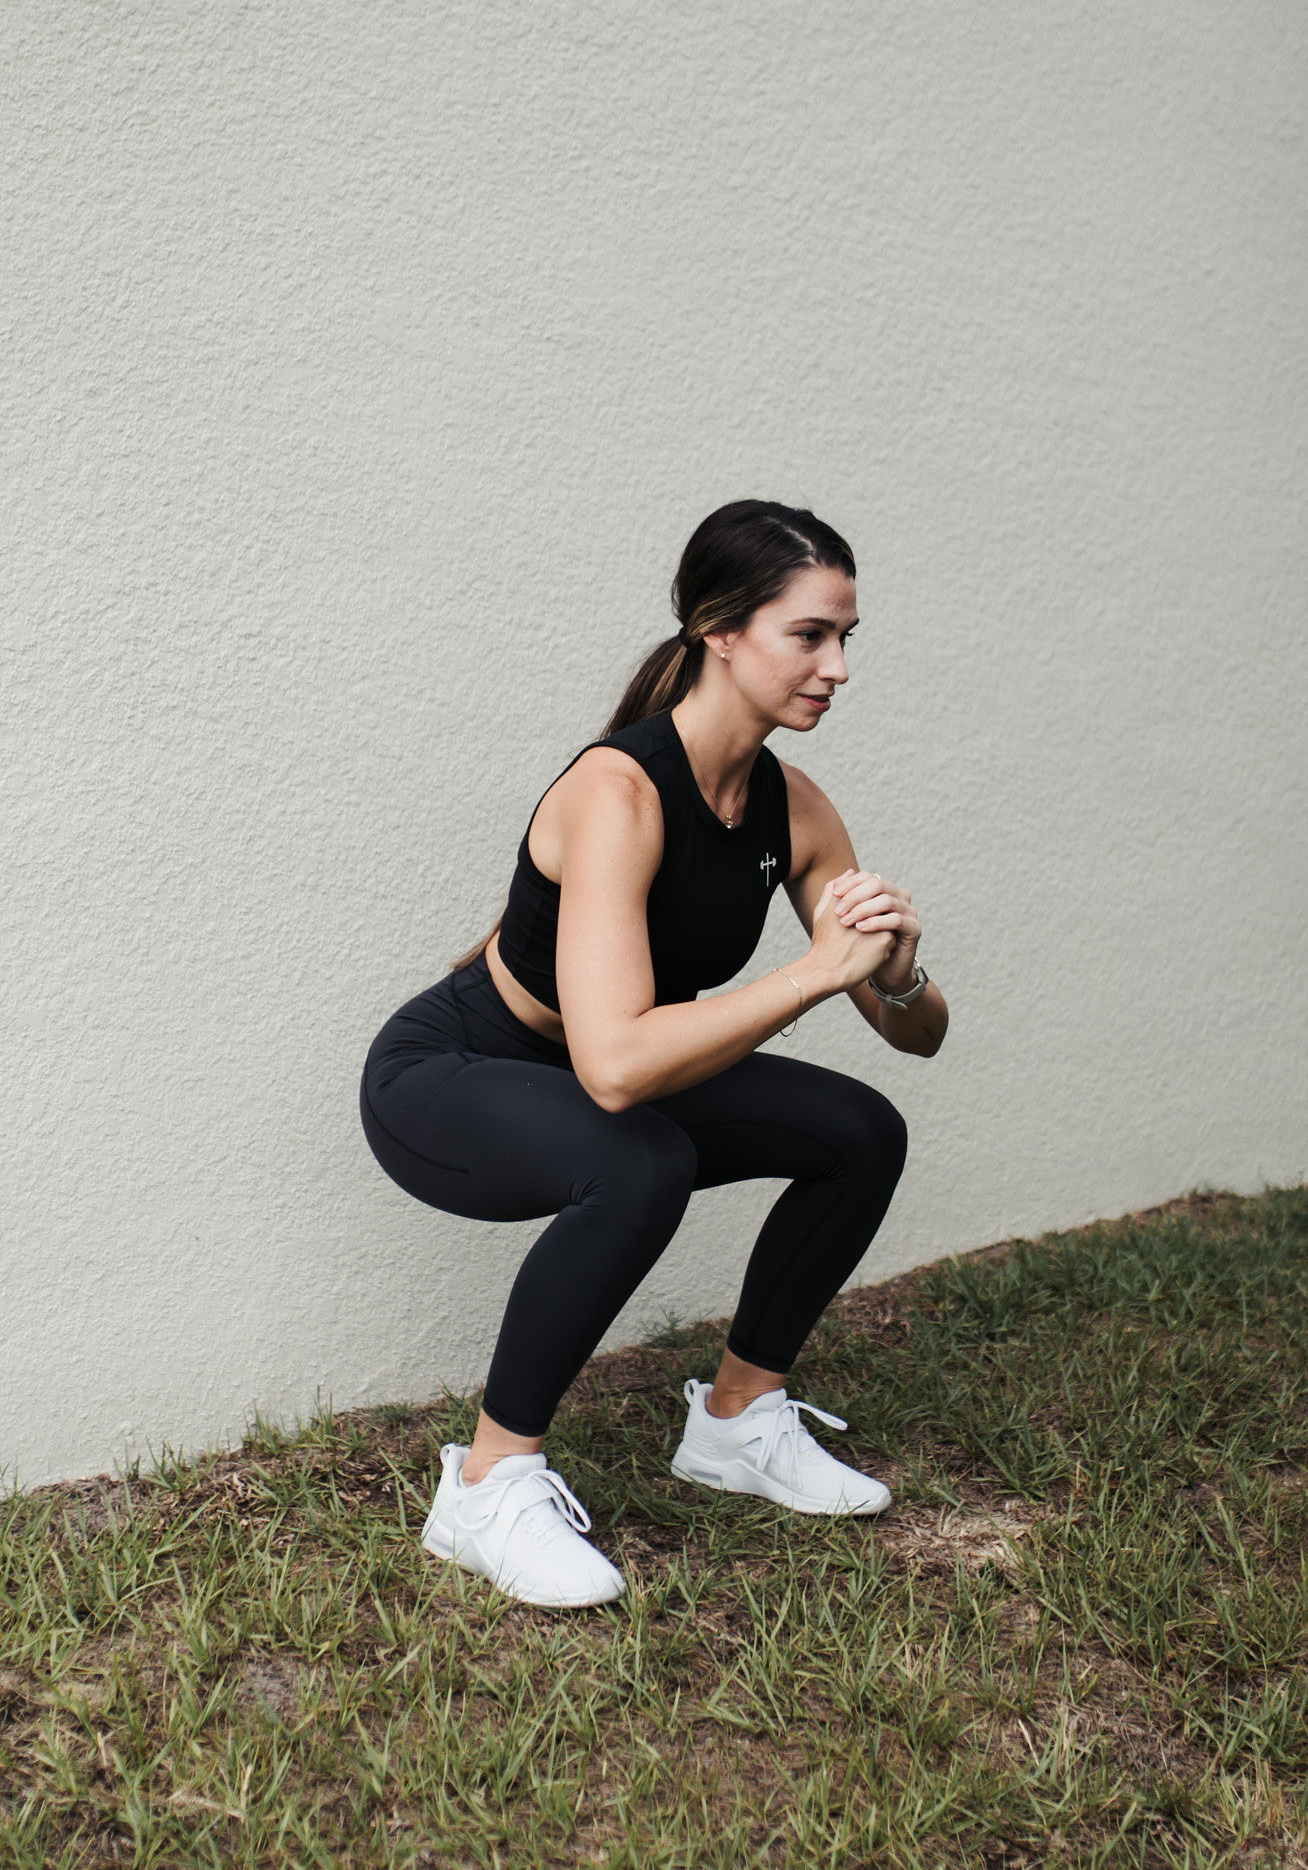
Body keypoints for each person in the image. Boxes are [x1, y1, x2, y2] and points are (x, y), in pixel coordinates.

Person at [359, 500, 949, 1608]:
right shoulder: (618, 791)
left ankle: (737, 1422)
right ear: (720, 630)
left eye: (844, 638)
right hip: (451, 1075)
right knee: (641, 1158)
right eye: (808, 635)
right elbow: (618, 1071)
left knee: (861, 1131)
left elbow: (914, 1034)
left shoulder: (793, 807)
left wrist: (897, 969)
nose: (836, 667)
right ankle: (485, 1487)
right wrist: (812, 973)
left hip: (599, 1070)